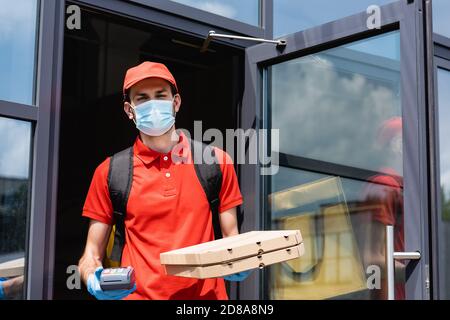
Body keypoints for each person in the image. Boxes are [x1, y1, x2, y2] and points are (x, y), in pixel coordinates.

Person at [78, 61, 250, 300]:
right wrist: (93, 278)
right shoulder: (109, 172)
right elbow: (91, 255)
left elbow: (232, 238)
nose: (153, 105)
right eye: (143, 99)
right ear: (129, 110)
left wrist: (240, 262)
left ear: (176, 102)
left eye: (160, 96)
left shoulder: (216, 162)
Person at [360, 116, 405, 300]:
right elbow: (371, 259)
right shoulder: (385, 184)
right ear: (397, 145)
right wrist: (423, 271)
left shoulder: (403, 189)